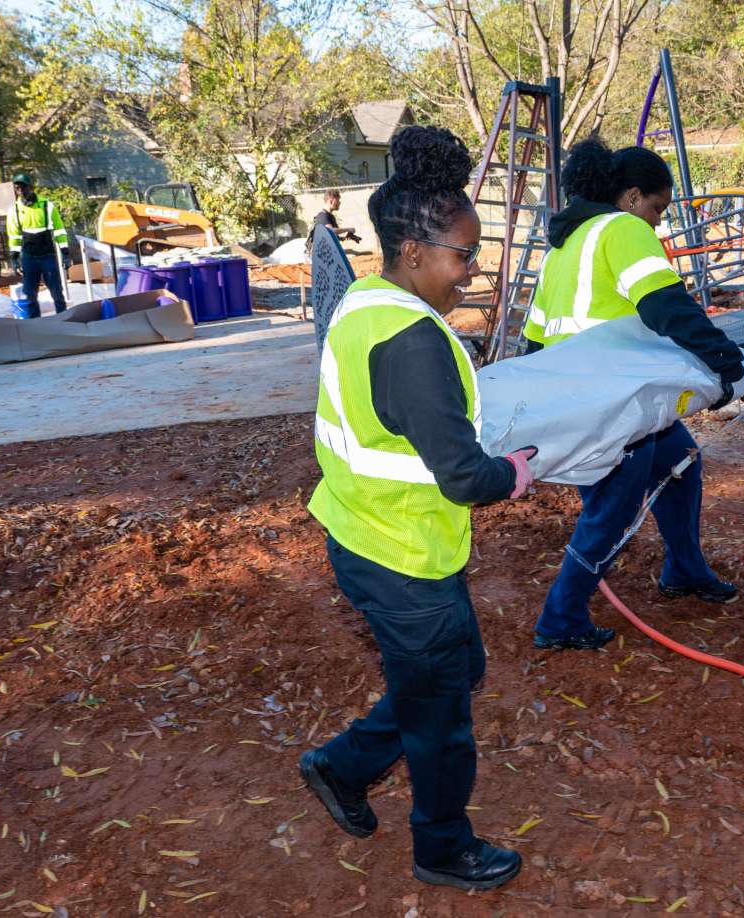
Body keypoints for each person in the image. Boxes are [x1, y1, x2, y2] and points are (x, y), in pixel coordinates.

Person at [299, 126, 535, 893]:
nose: (472, 270)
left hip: (362, 533)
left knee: (455, 670)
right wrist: (519, 473)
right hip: (402, 553)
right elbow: (465, 476)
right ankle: (442, 846)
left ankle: (342, 765)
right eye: (463, 255)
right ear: (412, 253)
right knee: (441, 718)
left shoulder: (364, 304)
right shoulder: (413, 342)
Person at [523, 139, 744, 651]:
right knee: (613, 509)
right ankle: (560, 618)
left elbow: (535, 336)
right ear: (629, 197)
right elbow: (668, 307)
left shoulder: (565, 246)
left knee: (682, 462)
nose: (658, 224)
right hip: (611, 402)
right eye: (656, 209)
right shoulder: (622, 231)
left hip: (597, 395)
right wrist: (727, 364)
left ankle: (684, 569)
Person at [6, 174, 70, 317]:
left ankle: (63, 320)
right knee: (30, 295)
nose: (20, 190)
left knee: (57, 293)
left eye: (23, 187)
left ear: (31, 187)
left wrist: (65, 253)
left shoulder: (47, 205)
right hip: (29, 258)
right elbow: (14, 236)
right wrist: (14, 259)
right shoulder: (14, 211)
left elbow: (60, 231)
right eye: (17, 188)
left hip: (48, 256)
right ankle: (35, 325)